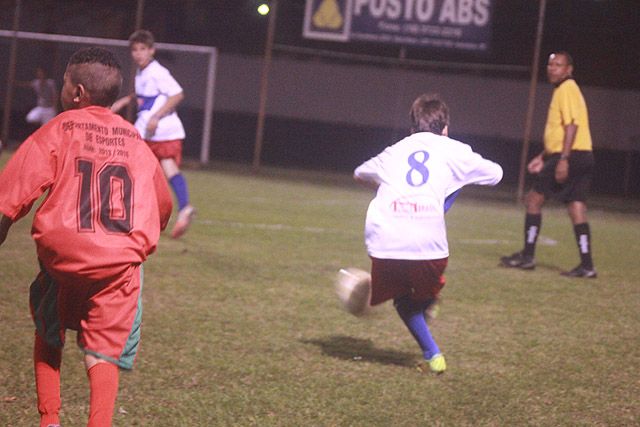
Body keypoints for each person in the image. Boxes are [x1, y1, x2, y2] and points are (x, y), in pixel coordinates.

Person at [0, 47, 173, 427]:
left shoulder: (59, 129)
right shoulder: (134, 139)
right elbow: (162, 206)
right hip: (116, 268)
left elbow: (12, 191)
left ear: (76, 93)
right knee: (103, 350)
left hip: (64, 260)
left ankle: (50, 420)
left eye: (63, 83)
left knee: (49, 329)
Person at [354, 94, 503, 373]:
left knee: (402, 299)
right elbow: (496, 174)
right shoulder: (453, 149)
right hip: (430, 246)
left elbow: (360, 174)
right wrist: (454, 180)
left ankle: (432, 349)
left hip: (385, 240)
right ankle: (430, 323)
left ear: (412, 127)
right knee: (419, 298)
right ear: (445, 128)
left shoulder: (394, 150)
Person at [500, 51, 597, 278]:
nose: (552, 68)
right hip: (583, 155)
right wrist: (544, 155)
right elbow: (562, 130)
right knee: (577, 207)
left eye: (558, 65)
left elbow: (571, 126)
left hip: (569, 155)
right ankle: (587, 265)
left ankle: (528, 256)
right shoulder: (565, 89)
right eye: (550, 64)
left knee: (533, 200)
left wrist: (562, 159)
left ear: (569, 69)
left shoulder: (567, 89)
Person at [112, 29, 194, 239]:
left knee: (131, 165)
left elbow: (177, 94)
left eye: (143, 49)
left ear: (152, 50)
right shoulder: (143, 72)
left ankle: (123, 214)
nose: (138, 53)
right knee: (162, 169)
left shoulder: (157, 71)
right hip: (150, 128)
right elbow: (146, 96)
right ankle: (183, 208)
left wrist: (156, 116)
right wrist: (125, 100)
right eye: (135, 49)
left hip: (160, 128)